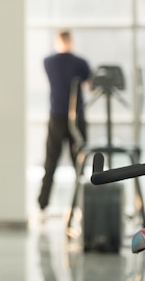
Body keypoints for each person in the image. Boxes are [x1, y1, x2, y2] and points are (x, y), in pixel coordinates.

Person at [37, 29, 91, 216]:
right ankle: (81, 207)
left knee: (52, 162)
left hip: (60, 117)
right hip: (73, 117)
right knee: (79, 164)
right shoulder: (80, 63)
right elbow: (89, 84)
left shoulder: (49, 62)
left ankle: (43, 206)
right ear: (71, 42)